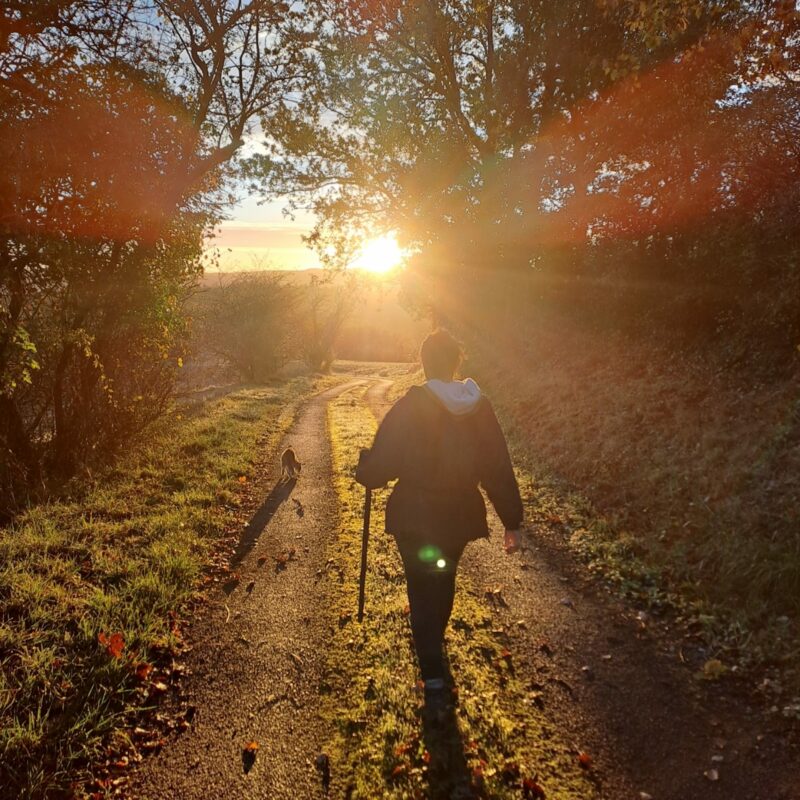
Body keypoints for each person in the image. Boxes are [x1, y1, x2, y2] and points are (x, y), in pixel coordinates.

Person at [355, 329, 523, 711]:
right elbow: (498, 465)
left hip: (414, 514)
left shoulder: (411, 405)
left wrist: (367, 470)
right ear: (456, 363)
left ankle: (431, 670)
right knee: (443, 579)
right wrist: (510, 520)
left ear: (424, 362)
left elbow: (382, 465)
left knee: (420, 585)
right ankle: (434, 651)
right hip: (458, 516)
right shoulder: (480, 407)